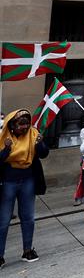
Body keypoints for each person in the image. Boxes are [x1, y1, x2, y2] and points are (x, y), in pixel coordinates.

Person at [0, 109, 49, 267]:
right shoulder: (4, 138)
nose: (25, 127)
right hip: (8, 182)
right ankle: (0, 256)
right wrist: (7, 149)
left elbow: (43, 154)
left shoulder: (33, 134)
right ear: (12, 124)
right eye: (21, 124)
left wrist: (40, 143)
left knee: (28, 217)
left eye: (27, 123)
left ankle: (27, 250)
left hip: (28, 180)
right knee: (3, 220)